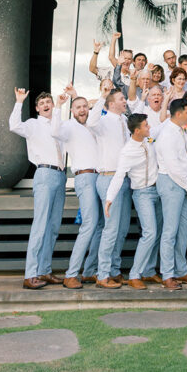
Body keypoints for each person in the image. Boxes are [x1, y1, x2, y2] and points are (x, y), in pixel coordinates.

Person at [9, 87, 66, 290]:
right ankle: (30, 274)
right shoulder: (33, 124)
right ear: (37, 108)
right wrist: (19, 102)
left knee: (53, 228)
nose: (46, 105)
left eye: (48, 102)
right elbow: (14, 125)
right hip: (44, 173)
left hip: (60, 175)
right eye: (41, 103)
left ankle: (44, 270)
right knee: (40, 226)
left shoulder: (59, 123)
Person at [51, 86, 103, 288]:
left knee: (100, 226)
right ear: (72, 111)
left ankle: (90, 271)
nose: (82, 110)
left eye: (84, 106)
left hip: (100, 177)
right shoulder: (68, 126)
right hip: (84, 177)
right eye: (78, 107)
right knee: (89, 224)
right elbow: (54, 131)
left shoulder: (93, 125)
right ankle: (71, 274)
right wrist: (58, 106)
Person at [104, 112, 162, 290]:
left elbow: (162, 128)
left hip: (157, 191)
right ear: (137, 131)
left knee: (157, 232)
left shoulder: (148, 140)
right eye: (146, 125)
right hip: (142, 193)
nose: (149, 127)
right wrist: (109, 199)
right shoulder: (128, 151)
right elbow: (119, 176)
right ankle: (135, 274)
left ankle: (149, 271)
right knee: (150, 232)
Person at [87, 82, 132, 289]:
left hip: (124, 179)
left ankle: (114, 269)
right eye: (122, 99)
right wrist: (101, 98)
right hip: (107, 178)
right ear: (112, 103)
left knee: (122, 229)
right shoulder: (103, 121)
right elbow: (91, 122)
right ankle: (102, 273)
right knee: (111, 228)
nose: (125, 101)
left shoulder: (125, 120)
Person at [155, 97, 187, 290]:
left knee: (183, 229)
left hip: (184, 182)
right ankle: (167, 274)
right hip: (171, 183)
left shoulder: (180, 131)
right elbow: (172, 167)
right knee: (170, 230)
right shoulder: (167, 134)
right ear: (179, 113)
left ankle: (181, 270)